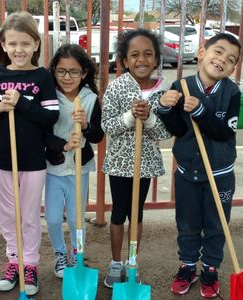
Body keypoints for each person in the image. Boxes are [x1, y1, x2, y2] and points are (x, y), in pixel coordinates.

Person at [0, 11, 59, 296]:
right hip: (4, 161)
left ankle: (30, 264)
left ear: (36, 44)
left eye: (25, 43)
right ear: (3, 45)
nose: (18, 50)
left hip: (34, 161)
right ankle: (14, 261)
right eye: (12, 44)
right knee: (8, 215)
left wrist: (21, 102)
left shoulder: (42, 77)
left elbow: (50, 117)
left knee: (30, 216)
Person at [157, 33, 242, 299]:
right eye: (218, 52)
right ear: (203, 51)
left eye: (230, 59)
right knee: (187, 223)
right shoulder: (181, 85)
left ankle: (210, 268)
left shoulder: (232, 92)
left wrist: (202, 112)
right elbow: (178, 130)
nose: (221, 61)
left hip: (219, 174)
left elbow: (223, 133)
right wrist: (165, 109)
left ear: (233, 68)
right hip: (187, 173)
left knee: (217, 225)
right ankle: (187, 266)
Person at [101, 28, 172, 288]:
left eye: (148, 54)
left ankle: (132, 261)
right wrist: (130, 117)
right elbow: (107, 125)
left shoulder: (164, 91)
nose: (141, 60)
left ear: (155, 59)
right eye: (134, 55)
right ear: (125, 60)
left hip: (145, 165)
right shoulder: (117, 87)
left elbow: (166, 131)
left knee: (137, 213)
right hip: (120, 163)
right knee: (119, 212)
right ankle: (116, 262)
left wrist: (150, 117)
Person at [44, 44, 104, 278]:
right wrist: (63, 145)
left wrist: (87, 125)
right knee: (52, 218)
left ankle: (76, 254)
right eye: (61, 71)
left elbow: (98, 135)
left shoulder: (90, 99)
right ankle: (60, 253)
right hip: (54, 167)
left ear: (84, 73)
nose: (67, 77)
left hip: (80, 168)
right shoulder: (49, 97)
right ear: (54, 71)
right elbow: (43, 133)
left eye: (74, 71)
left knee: (77, 217)